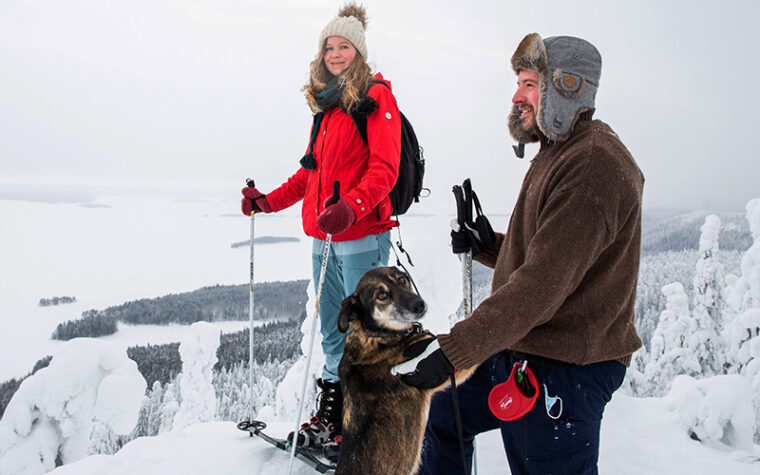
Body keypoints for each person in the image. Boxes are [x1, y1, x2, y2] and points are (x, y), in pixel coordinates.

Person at [393, 33, 644, 474]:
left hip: (564, 366)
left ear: (567, 87)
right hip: (524, 346)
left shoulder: (591, 166)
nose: (516, 96)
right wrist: (488, 245)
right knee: (442, 414)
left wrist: (456, 351)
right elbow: (555, 259)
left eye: (530, 84)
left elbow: (542, 286)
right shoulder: (561, 151)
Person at [240, 4, 401, 448]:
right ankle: (332, 418)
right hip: (325, 239)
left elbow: (386, 167)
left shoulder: (376, 96)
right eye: (329, 46)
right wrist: (266, 203)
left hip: (363, 236)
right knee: (332, 330)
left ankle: (365, 426)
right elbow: (308, 176)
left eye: (343, 46)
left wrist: (352, 206)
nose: (334, 53)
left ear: (358, 52)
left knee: (365, 335)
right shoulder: (326, 111)